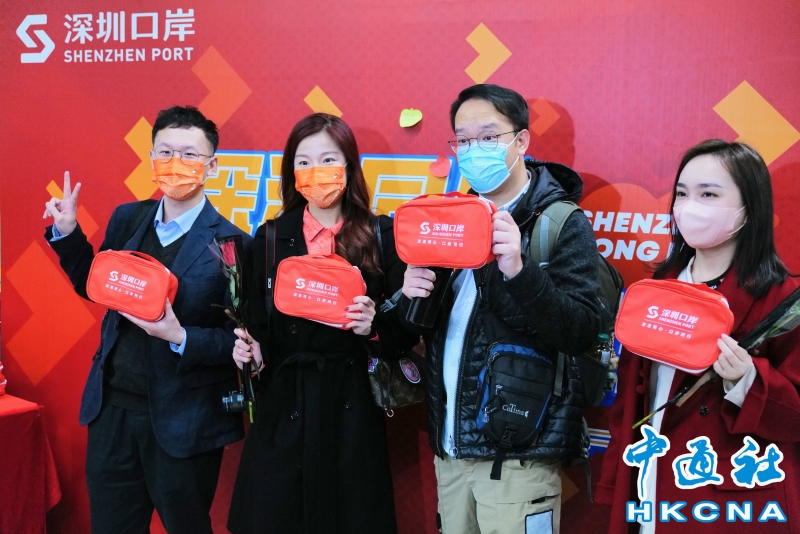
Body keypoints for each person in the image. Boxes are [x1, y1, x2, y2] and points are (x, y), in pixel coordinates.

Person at [399, 84, 601, 534]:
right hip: (452, 450)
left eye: (489, 137)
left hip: (519, 456)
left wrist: (520, 271)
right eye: (463, 140)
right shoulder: (448, 219)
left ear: (521, 140)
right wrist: (410, 296)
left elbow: (583, 330)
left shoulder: (559, 222)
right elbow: (423, 331)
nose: (475, 150)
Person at [43, 106, 249, 534]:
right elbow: (96, 285)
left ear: (211, 165)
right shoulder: (128, 218)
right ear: (152, 158)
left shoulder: (232, 244)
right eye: (165, 152)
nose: (176, 163)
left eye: (189, 154)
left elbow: (240, 341)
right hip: (111, 413)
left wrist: (180, 335)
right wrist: (68, 232)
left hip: (185, 421)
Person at [597, 140, 800, 533]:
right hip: (650, 483)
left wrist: (747, 379)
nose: (690, 206)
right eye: (682, 193)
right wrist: (615, 482)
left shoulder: (782, 300)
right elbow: (629, 401)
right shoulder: (658, 287)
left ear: (749, 207)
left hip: (730, 498)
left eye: (709, 194)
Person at [227, 113, 414, 534]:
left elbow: (408, 331)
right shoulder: (270, 237)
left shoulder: (381, 234)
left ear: (349, 165)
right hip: (284, 405)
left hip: (352, 405)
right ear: (291, 172)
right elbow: (255, 325)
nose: (316, 171)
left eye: (328, 160)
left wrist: (373, 326)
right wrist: (250, 352)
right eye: (304, 162)